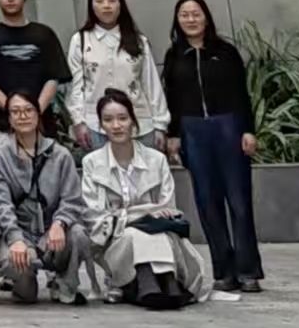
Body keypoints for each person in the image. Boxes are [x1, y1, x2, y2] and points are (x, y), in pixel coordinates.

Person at [162, 0, 264, 294]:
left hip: (228, 126)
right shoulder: (174, 55)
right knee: (208, 202)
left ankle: (248, 270)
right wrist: (174, 134)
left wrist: (248, 130)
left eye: (196, 14)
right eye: (184, 15)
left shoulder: (225, 52)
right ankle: (224, 271)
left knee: (239, 201)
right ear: (177, 21)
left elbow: (242, 93)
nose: (191, 20)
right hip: (193, 130)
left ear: (206, 17)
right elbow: (172, 98)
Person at [81, 89, 211, 308]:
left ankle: (151, 286)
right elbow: (94, 216)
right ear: (101, 126)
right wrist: (140, 215)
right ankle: (167, 284)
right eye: (108, 120)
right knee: (136, 233)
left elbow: (168, 208)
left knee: (150, 232)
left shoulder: (156, 160)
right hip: (114, 241)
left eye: (122, 118)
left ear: (133, 121)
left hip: (160, 234)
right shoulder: (92, 163)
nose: (116, 125)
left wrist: (143, 217)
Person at [0, 89, 93, 305]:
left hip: (52, 233)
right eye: (16, 112)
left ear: (38, 114)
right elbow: (1, 204)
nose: (23, 116)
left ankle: (65, 283)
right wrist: (16, 238)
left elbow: (72, 199)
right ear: (9, 118)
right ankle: (21, 280)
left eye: (28, 110)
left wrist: (60, 223)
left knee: (79, 234)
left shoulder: (60, 154)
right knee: (26, 293)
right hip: (20, 233)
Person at [67, 0, 167, 150]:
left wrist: (160, 123)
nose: (106, 6)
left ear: (121, 4)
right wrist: (78, 121)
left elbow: (151, 84)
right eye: (99, 1)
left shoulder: (138, 40)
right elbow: (76, 86)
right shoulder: (80, 40)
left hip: (139, 123)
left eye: (112, 0)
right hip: (96, 125)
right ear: (91, 6)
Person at [0, 0, 68, 149]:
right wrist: (14, 110)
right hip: (3, 125)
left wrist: (34, 111)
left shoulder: (44, 34)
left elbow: (53, 77)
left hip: (42, 124)